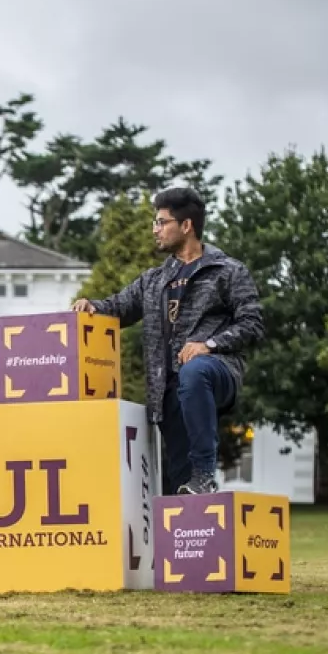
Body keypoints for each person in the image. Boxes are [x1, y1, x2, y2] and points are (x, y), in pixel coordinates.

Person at [71, 187, 264, 495]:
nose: (154, 229)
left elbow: (252, 324)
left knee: (194, 370)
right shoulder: (154, 280)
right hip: (168, 392)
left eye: (161, 222)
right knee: (178, 485)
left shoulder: (228, 271)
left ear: (186, 226)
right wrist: (92, 306)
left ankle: (204, 473)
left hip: (217, 371)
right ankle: (192, 510)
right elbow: (118, 308)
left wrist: (209, 346)